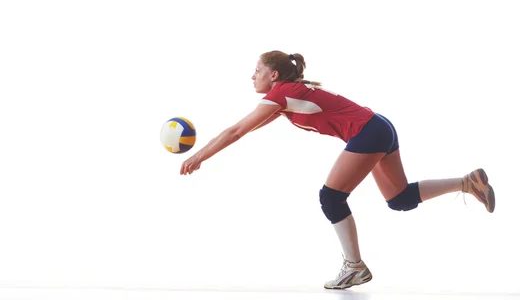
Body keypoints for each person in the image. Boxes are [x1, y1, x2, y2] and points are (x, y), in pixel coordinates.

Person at [179, 50, 495, 290]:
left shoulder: (282, 94)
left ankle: (354, 266)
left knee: (330, 198)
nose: (252, 76)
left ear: (274, 75)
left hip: (369, 131)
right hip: (379, 127)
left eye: (257, 71)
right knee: (399, 199)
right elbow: (244, 129)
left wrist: (200, 156)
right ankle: (467, 183)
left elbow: (236, 131)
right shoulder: (285, 98)